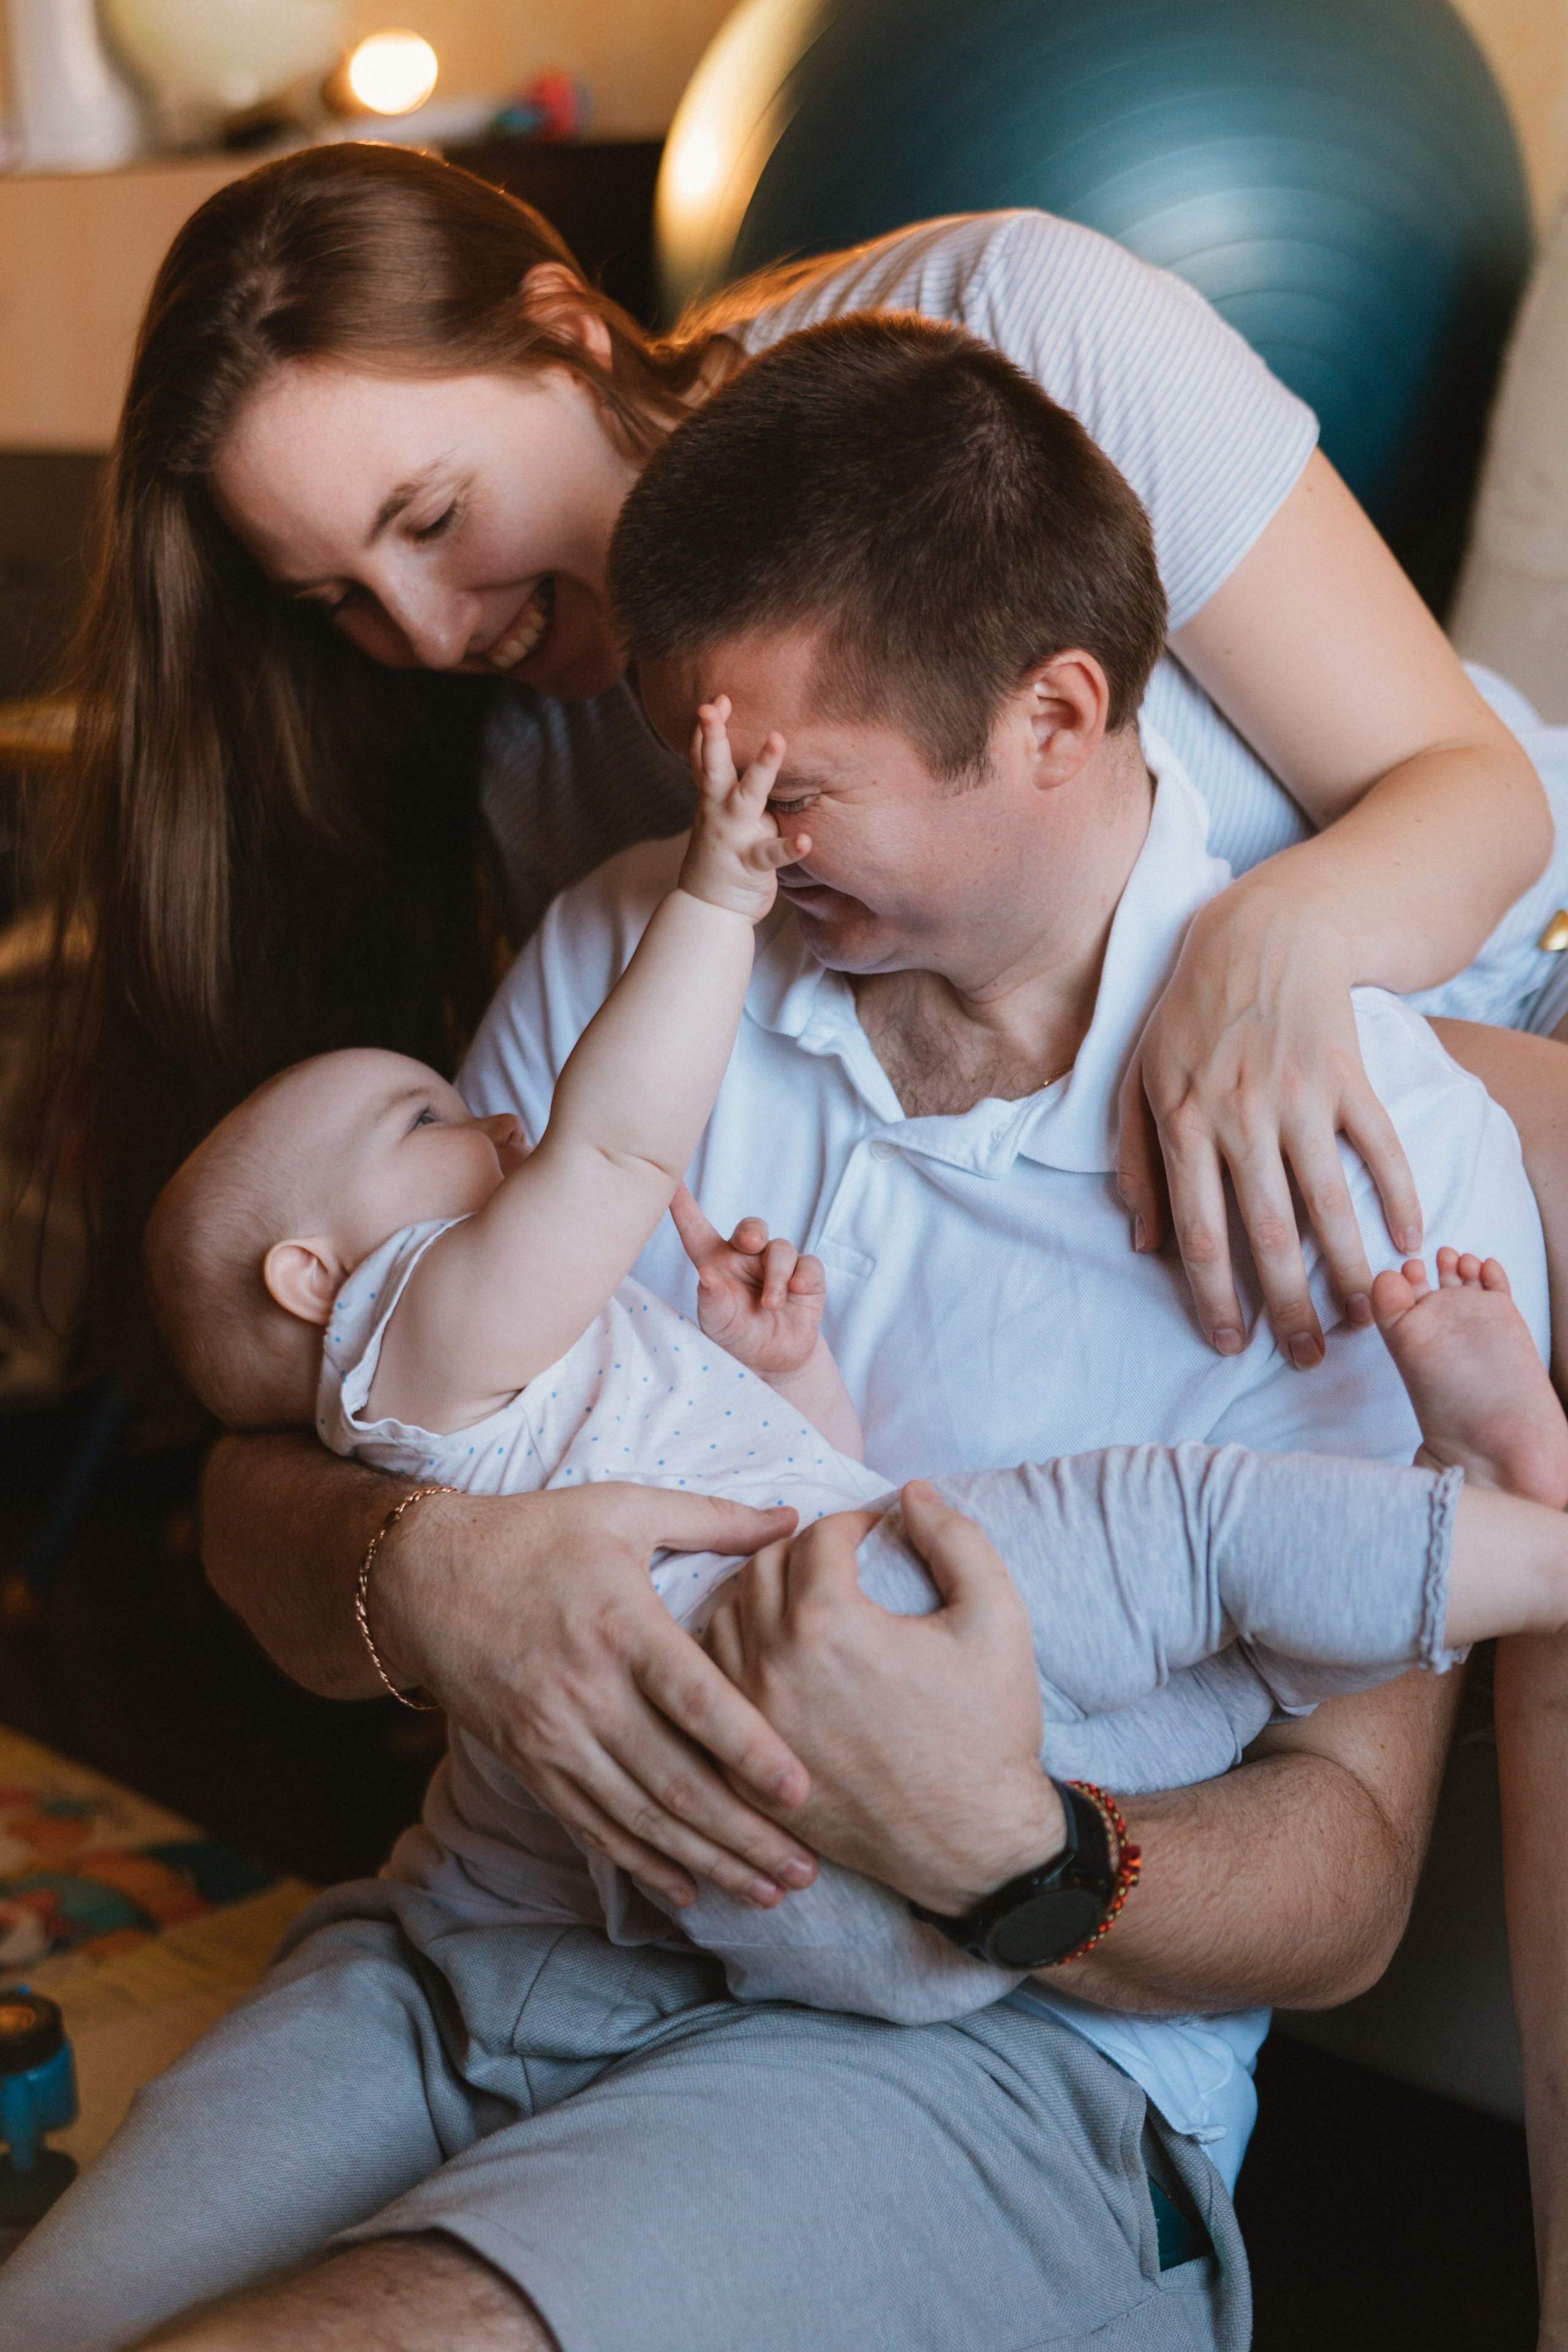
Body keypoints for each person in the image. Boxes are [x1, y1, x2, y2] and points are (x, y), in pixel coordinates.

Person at [2, 310, 1553, 2352]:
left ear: (1056, 719)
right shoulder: (627, 958)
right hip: (492, 1934)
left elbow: (1346, 1876)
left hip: (984, 2053)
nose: (740, 849)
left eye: (795, 793)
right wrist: (436, 1581)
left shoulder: (1372, 1148)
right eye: (704, 775)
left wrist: (1010, 1848)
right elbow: (285, 1484)